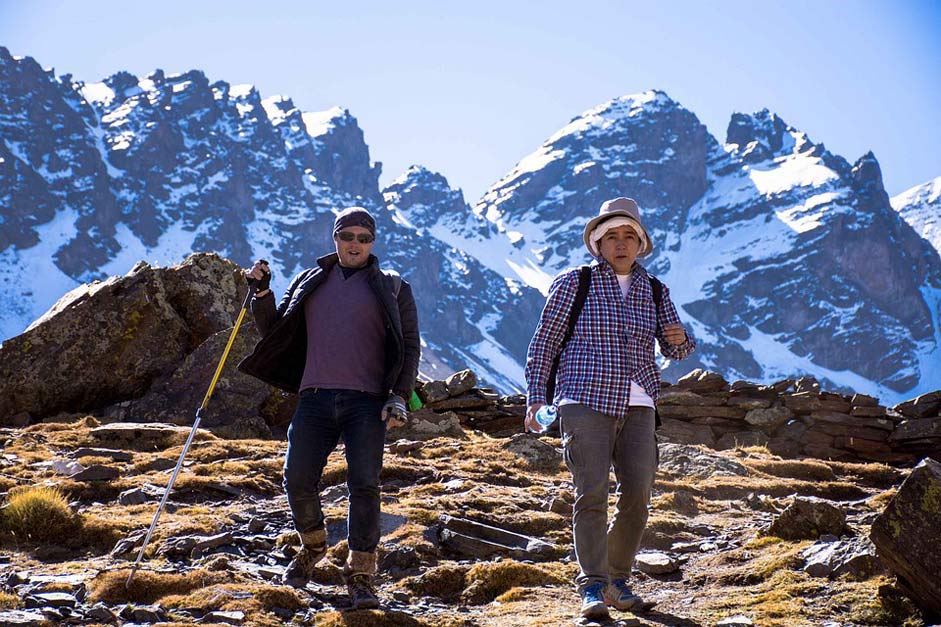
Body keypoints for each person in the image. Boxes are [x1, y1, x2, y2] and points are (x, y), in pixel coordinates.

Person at [237, 206, 420, 609]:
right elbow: (276, 330)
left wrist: (398, 398)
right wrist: (262, 293)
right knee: (297, 478)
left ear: (373, 243)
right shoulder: (310, 279)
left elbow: (409, 349)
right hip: (315, 397)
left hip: (367, 402)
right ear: (334, 238)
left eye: (364, 238)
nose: (355, 244)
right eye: (347, 236)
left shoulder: (393, 286)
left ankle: (361, 573)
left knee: (364, 485)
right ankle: (315, 545)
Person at [524, 197, 696, 620]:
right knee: (592, 493)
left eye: (629, 236)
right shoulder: (574, 283)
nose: (620, 244)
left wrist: (679, 339)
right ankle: (593, 586)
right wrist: (535, 398)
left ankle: (618, 580)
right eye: (611, 237)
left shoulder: (655, 289)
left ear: (641, 243)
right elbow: (544, 344)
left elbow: (678, 351)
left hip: (640, 403)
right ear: (597, 244)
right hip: (585, 400)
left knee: (638, 494)